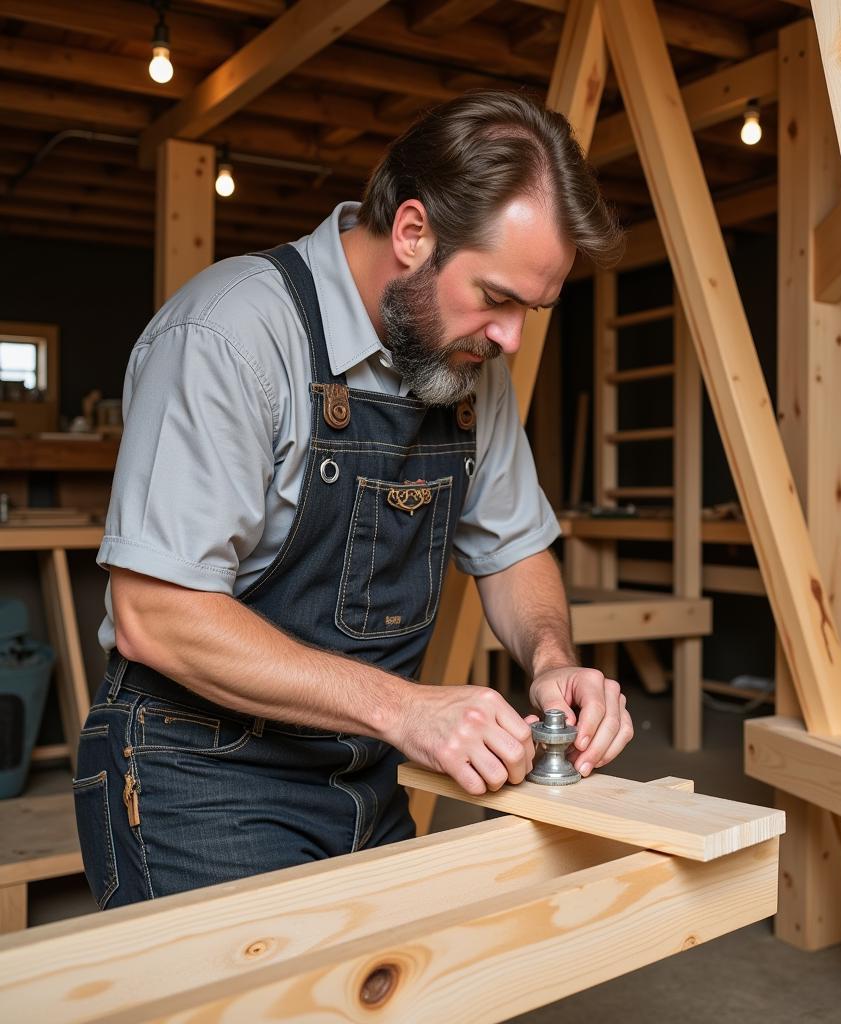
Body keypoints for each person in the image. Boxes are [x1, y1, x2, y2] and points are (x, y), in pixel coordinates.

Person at [73, 90, 631, 910]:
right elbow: (157, 612)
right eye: (499, 297)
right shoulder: (232, 333)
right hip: (194, 774)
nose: (512, 337)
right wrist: (403, 709)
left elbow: (513, 548)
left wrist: (553, 663)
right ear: (413, 233)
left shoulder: (469, 362)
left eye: (532, 310)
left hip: (364, 769)